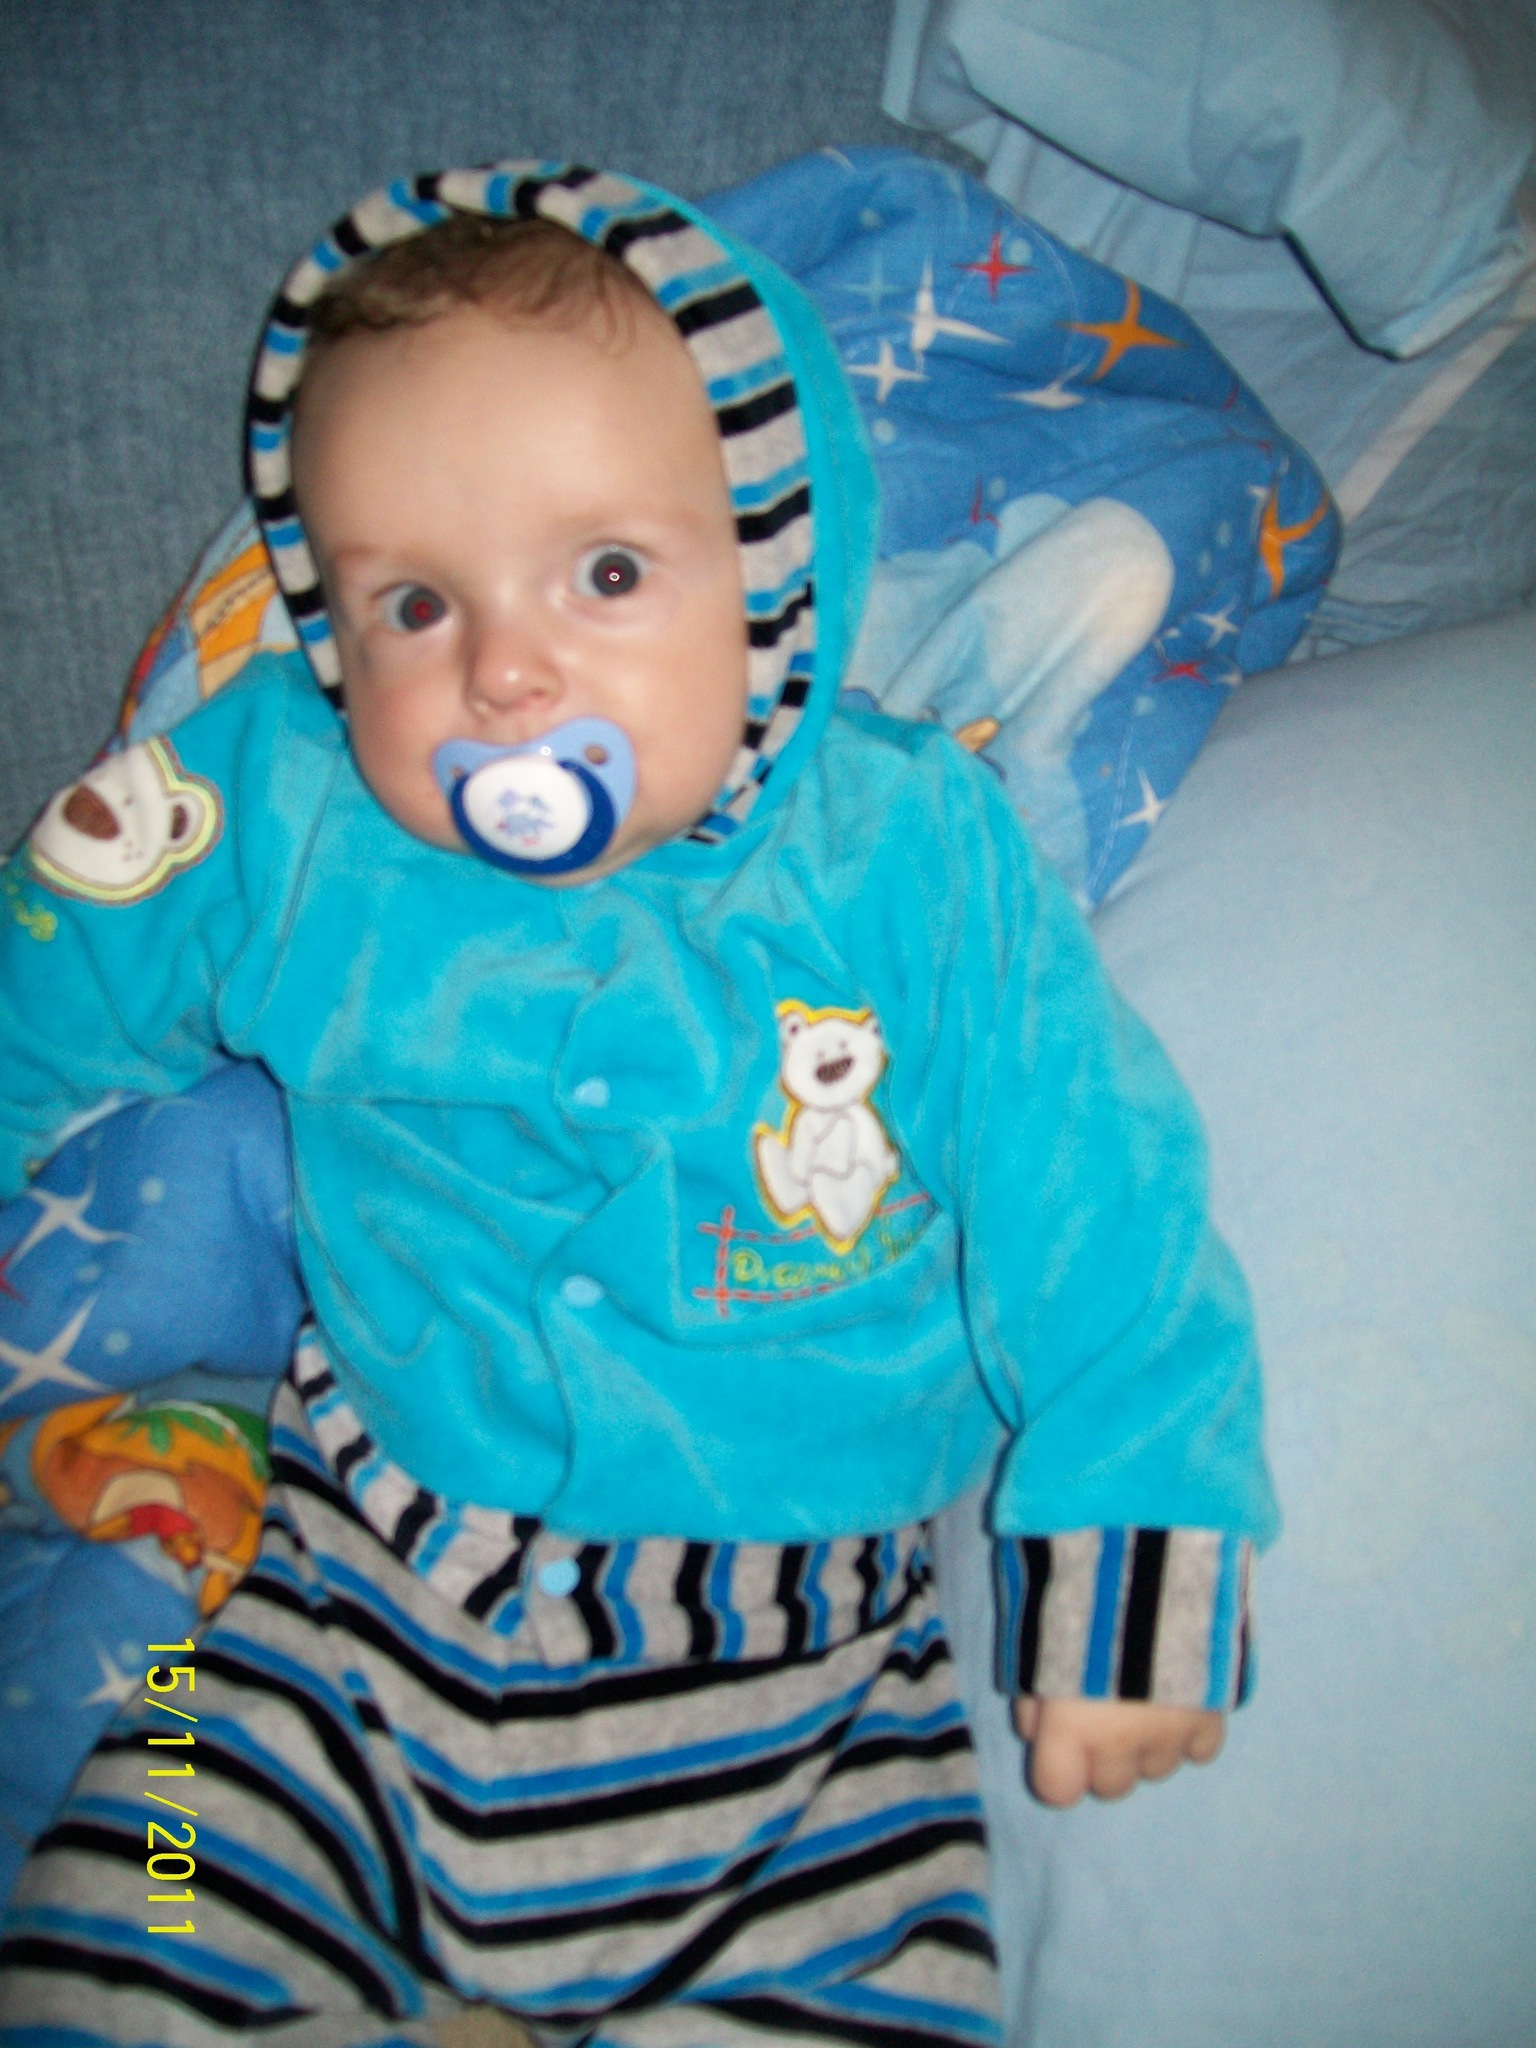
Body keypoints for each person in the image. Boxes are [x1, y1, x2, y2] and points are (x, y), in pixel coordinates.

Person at [0, 163, 1277, 2047]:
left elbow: (1095, 1187)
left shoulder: (908, 851)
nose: (505, 674)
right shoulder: (274, 811)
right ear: (329, 628)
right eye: (414, 602)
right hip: (322, 1613)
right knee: (139, 1908)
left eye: (605, 574)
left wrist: (1138, 1546)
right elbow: (46, 976)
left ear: (770, 574)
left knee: (864, 2001)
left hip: (798, 1691)